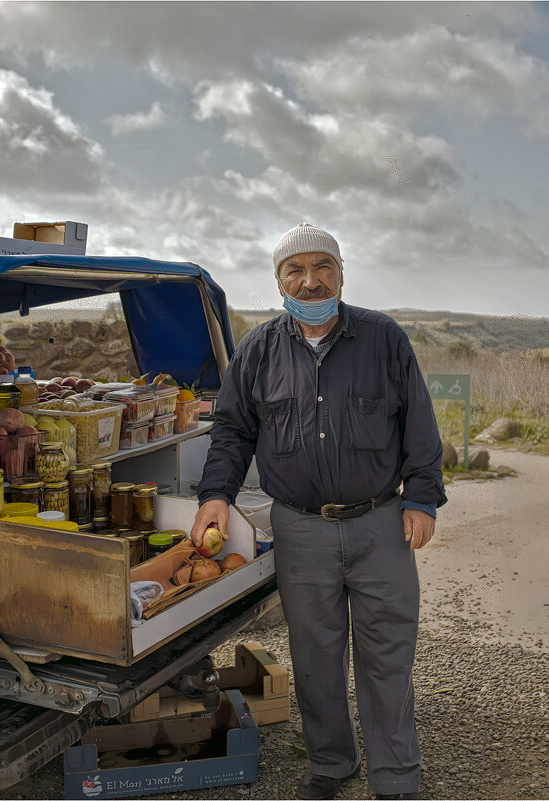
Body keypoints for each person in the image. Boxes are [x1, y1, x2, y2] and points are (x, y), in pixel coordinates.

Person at [191, 222, 446, 800]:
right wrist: (215, 496)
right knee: (314, 657)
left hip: (382, 522)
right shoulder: (257, 350)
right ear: (278, 280)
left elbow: (419, 425)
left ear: (340, 272)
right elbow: (232, 432)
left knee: (387, 654)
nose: (310, 281)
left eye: (322, 267)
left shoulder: (383, 340)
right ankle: (331, 766)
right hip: (300, 527)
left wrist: (423, 497)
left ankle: (396, 777)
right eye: (295, 270)